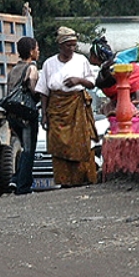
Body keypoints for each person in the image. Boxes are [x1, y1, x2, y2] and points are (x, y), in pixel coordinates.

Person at [35, 27, 98, 187]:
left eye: (74, 45)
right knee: (58, 144)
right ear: (60, 46)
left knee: (81, 142)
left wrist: (79, 80)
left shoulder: (81, 60)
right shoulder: (49, 63)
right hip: (56, 108)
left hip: (77, 106)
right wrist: (44, 114)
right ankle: (64, 181)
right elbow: (43, 90)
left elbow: (91, 82)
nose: (71, 49)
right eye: (68, 45)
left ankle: (81, 179)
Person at [88, 37, 139, 134]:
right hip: (127, 101)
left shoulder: (114, 69)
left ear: (95, 56)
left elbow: (131, 82)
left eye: (91, 55)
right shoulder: (106, 69)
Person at [6, 36, 40, 195]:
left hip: (13, 114)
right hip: (27, 115)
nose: (38, 52)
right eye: (37, 49)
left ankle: (15, 179)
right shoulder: (31, 68)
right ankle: (23, 187)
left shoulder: (13, 69)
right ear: (32, 51)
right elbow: (33, 90)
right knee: (28, 150)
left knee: (23, 148)